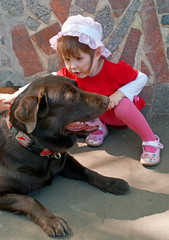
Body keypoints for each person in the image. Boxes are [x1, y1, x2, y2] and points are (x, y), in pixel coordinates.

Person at [0, 14, 163, 166]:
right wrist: (16, 94)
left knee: (123, 106)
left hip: (117, 113)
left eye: (79, 58)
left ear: (97, 53)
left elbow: (142, 77)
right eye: (67, 59)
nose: (72, 66)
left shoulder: (113, 70)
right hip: (97, 113)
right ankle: (99, 127)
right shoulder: (69, 73)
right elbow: (44, 81)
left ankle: (150, 141)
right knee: (74, 104)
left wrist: (120, 94)